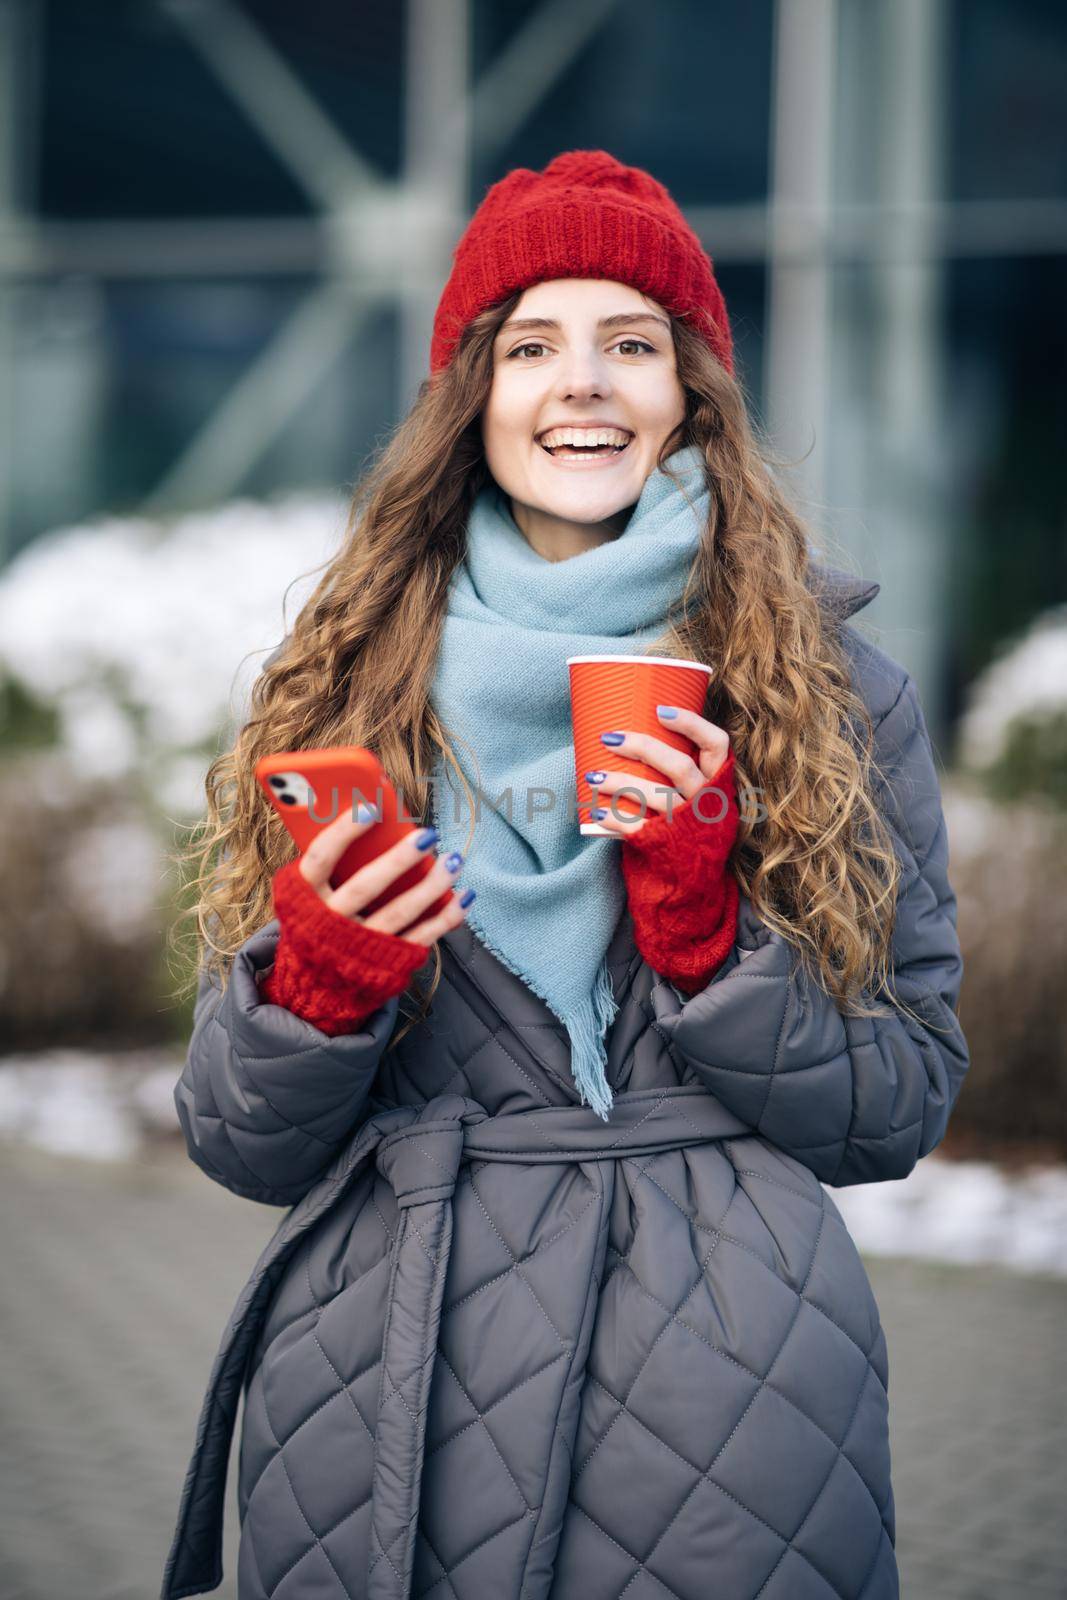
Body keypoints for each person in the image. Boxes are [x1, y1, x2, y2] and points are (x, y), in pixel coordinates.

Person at [161, 150, 968, 1600]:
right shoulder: (347, 686)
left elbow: (901, 1100)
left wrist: (715, 951)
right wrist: (322, 996)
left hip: (723, 1402)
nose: (581, 382)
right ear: (472, 396)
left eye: (631, 344)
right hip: (381, 1391)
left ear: (688, 397)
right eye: (531, 345)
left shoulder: (834, 693)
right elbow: (240, 1141)